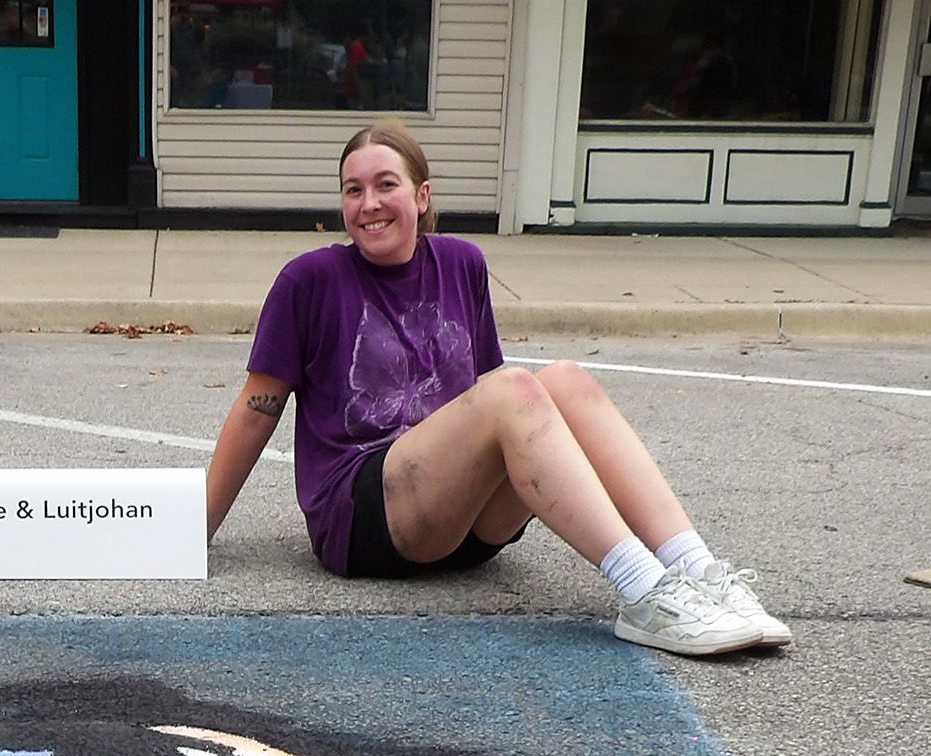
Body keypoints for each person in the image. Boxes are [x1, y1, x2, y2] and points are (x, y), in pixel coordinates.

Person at [205, 122, 790, 655]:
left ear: (422, 196)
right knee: (514, 389)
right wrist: (194, 528)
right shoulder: (309, 281)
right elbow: (258, 410)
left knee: (564, 380)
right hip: (366, 518)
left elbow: (499, 408)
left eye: (386, 185)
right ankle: (646, 593)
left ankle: (700, 572)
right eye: (353, 191)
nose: (369, 204)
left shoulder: (462, 262)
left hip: (468, 529)